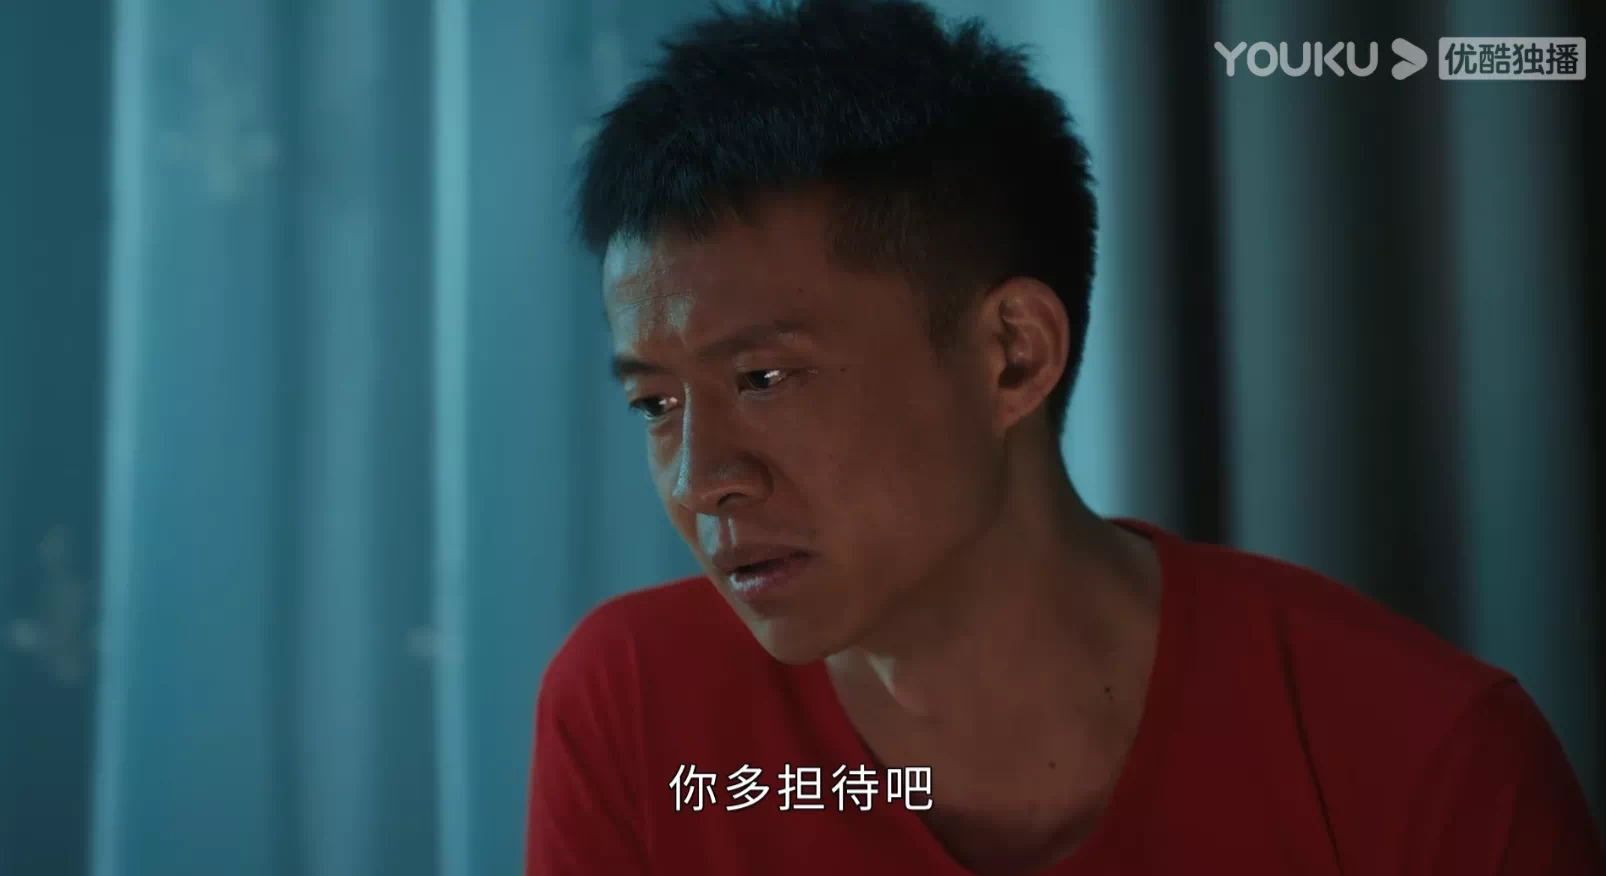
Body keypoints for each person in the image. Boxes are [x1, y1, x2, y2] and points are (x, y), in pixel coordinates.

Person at [525, 1, 1603, 873]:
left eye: (764, 379)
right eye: (655, 404)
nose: (700, 478)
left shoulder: (1420, 758)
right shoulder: (640, 709)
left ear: (1013, 355)